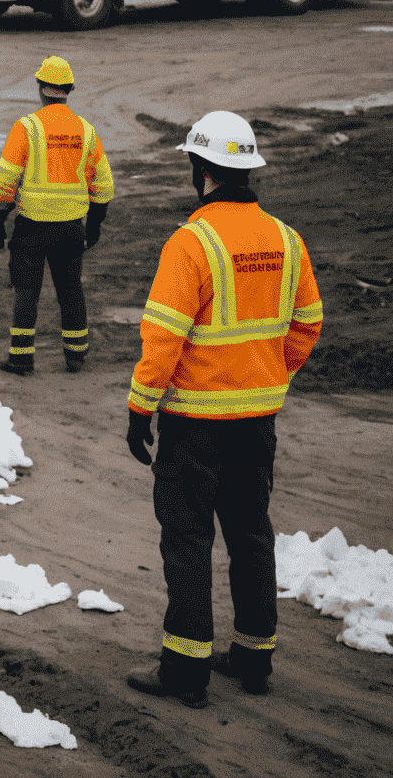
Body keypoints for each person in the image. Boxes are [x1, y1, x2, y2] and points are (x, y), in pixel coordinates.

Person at [124, 112, 322, 710]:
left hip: (195, 425)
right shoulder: (286, 239)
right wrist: (268, 374)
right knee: (251, 533)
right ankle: (254, 656)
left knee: (187, 541)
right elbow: (308, 322)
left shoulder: (192, 242)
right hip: (256, 422)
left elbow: (163, 337)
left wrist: (140, 409)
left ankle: (186, 671)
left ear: (201, 169)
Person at [0, 56, 114, 376]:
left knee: (26, 292)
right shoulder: (86, 131)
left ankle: (21, 358)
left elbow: (6, 179)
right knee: (71, 289)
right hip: (72, 227)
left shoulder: (26, 127)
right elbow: (102, 182)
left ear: (41, 89)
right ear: (69, 89)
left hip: (32, 227)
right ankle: (76, 356)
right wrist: (95, 225)